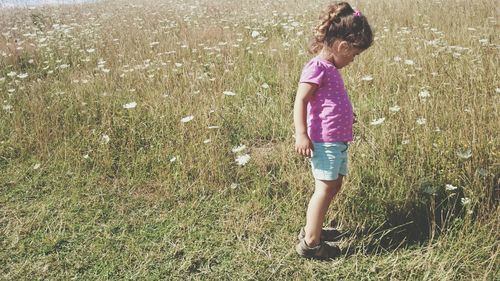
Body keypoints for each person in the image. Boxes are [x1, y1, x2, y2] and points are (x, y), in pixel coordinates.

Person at [293, 2, 373, 259]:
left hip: (336, 139)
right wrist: (301, 134)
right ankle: (311, 243)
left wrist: (348, 115)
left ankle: (312, 228)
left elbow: (331, 102)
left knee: (334, 184)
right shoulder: (317, 67)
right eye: (354, 54)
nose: (353, 59)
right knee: (325, 188)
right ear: (343, 46)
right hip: (324, 140)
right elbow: (301, 100)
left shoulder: (331, 69)